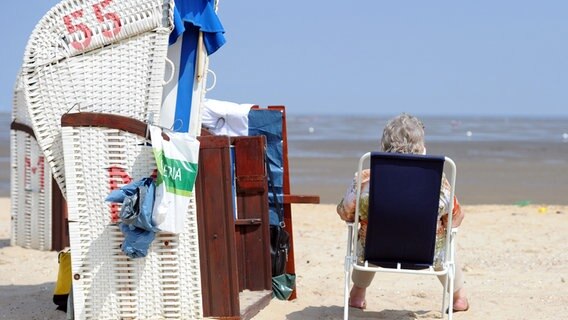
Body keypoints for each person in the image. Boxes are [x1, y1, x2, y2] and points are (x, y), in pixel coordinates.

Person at [336, 113, 469, 312]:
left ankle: (357, 294)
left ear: (383, 144)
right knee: (445, 240)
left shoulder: (365, 178)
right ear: (422, 147)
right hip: (427, 252)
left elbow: (346, 213)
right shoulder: (436, 180)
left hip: (375, 249)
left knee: (368, 232)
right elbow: (456, 217)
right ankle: (458, 298)